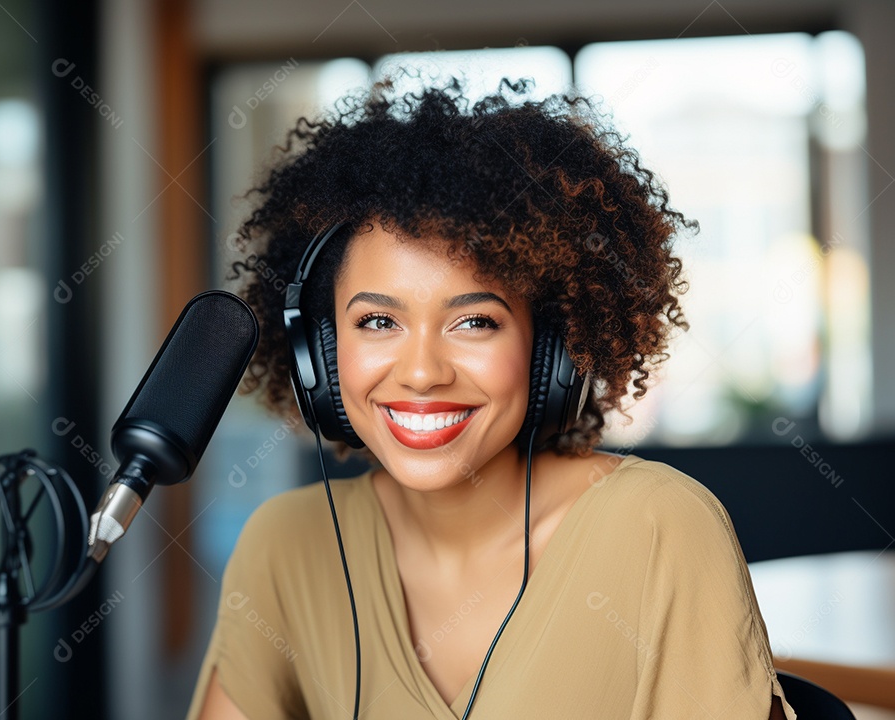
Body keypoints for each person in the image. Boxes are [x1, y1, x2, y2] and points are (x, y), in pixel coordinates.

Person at [188, 77, 796, 719]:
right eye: (376, 322)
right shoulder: (287, 545)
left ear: (552, 352)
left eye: (475, 321)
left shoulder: (657, 529)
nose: (421, 373)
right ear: (319, 352)